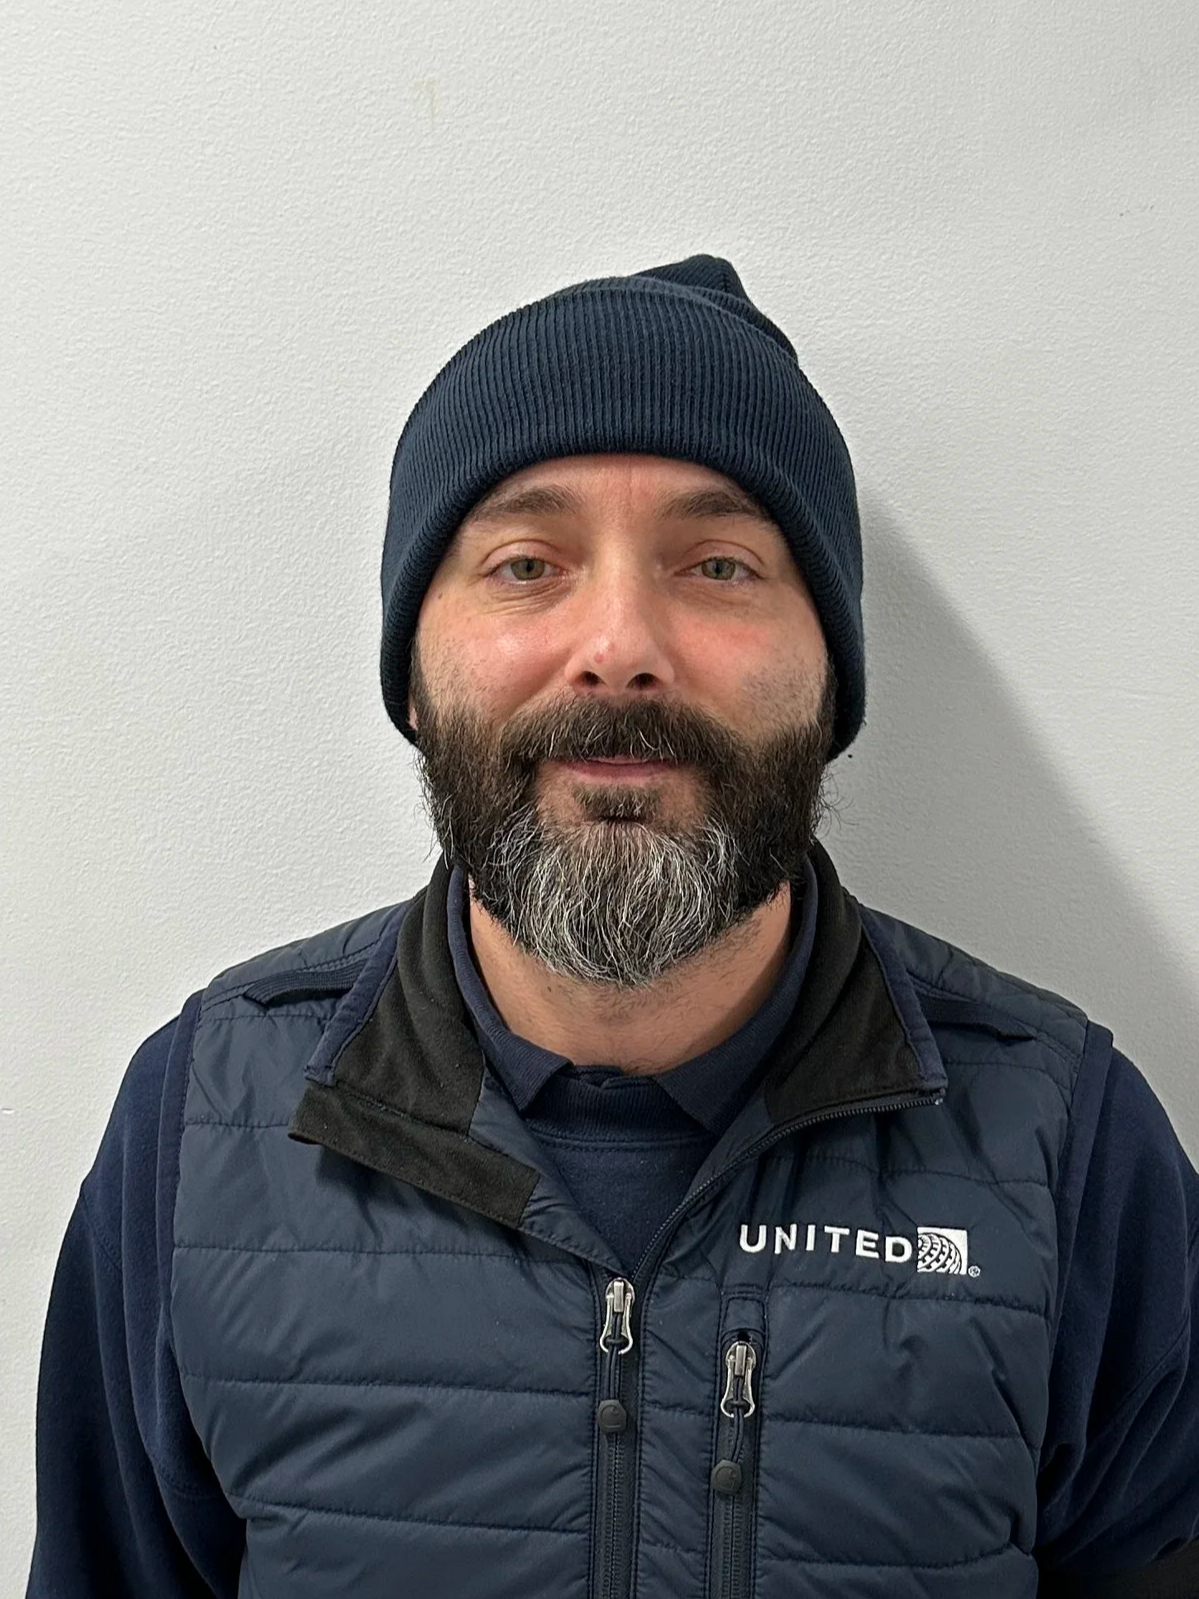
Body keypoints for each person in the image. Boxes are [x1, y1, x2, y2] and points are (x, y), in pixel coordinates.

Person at [25, 254, 1199, 1599]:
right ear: (416, 667)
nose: (621, 644)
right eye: (526, 564)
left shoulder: (1068, 1144)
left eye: (717, 563)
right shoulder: (203, 1122)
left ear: (830, 671)